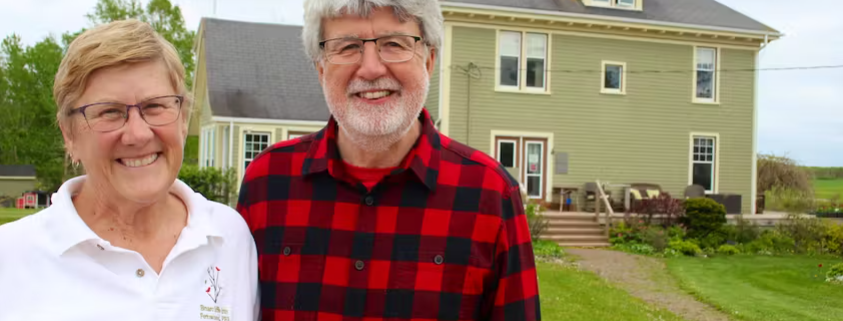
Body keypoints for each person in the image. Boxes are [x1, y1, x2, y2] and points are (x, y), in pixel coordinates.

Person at [236, 0, 541, 320]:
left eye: (394, 44)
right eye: (347, 46)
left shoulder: (489, 194)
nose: (371, 68)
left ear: (429, 61)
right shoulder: (267, 184)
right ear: (321, 67)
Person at [0, 20, 259, 321]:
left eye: (155, 107)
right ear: (69, 135)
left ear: (183, 118)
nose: (138, 134)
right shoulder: (11, 257)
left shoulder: (229, 238)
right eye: (109, 112)